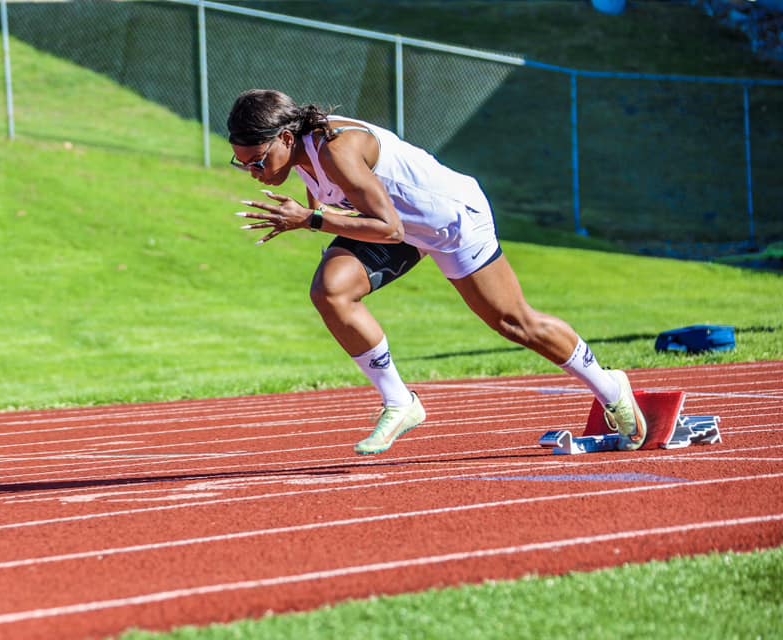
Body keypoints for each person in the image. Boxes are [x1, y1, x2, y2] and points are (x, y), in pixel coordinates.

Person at [227, 89, 646, 455]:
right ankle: (400, 401)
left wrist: (312, 219)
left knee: (514, 323)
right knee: (330, 290)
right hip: (399, 229)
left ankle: (610, 387)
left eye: (257, 162)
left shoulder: (337, 149)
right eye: (242, 164)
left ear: (285, 137)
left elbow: (387, 227)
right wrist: (316, 218)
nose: (253, 173)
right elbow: (359, 215)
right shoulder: (297, 157)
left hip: (451, 222)